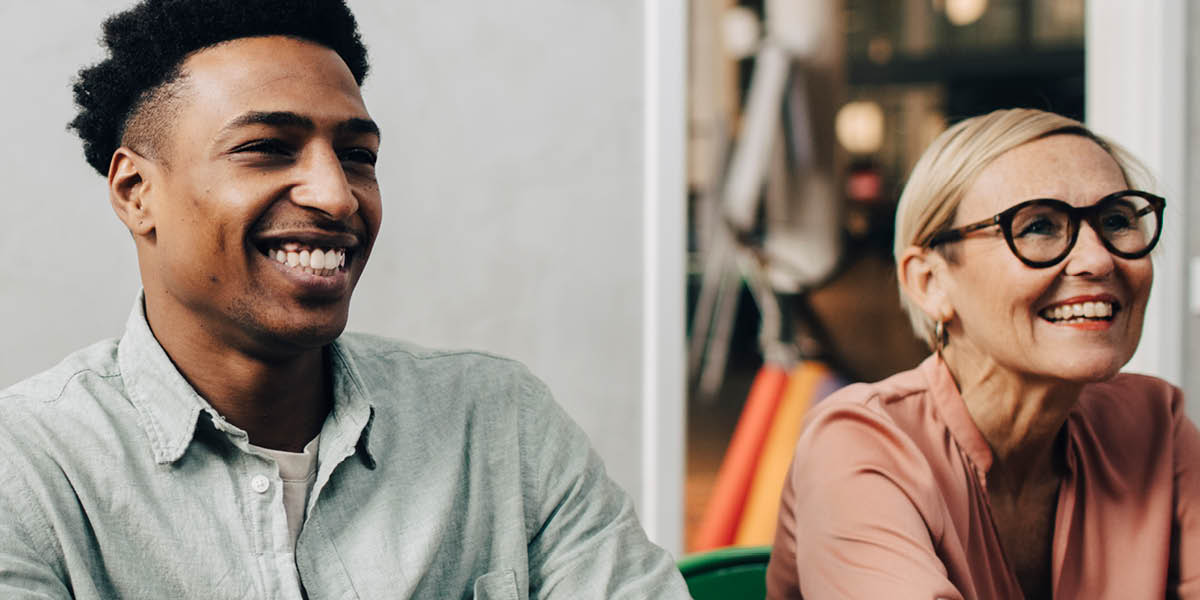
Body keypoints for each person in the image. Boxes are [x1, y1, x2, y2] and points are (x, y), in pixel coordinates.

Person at [0, 1, 688, 598]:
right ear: (135, 193)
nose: (336, 195)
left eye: (358, 156)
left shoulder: (500, 427)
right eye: (267, 147)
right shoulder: (29, 473)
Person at [766, 108, 1199, 599]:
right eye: (1038, 226)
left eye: (1118, 220)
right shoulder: (860, 444)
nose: (1099, 259)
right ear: (929, 282)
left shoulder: (1154, 425)